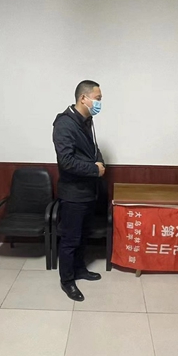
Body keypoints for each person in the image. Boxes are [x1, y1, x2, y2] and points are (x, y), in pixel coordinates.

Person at [52, 80, 106, 301]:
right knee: (70, 239)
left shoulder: (87, 120)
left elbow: (94, 149)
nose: (99, 103)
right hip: (73, 193)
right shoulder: (64, 124)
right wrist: (94, 169)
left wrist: (100, 163)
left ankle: (80, 269)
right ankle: (67, 281)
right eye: (97, 98)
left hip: (88, 191)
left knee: (83, 236)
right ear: (84, 98)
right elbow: (66, 161)